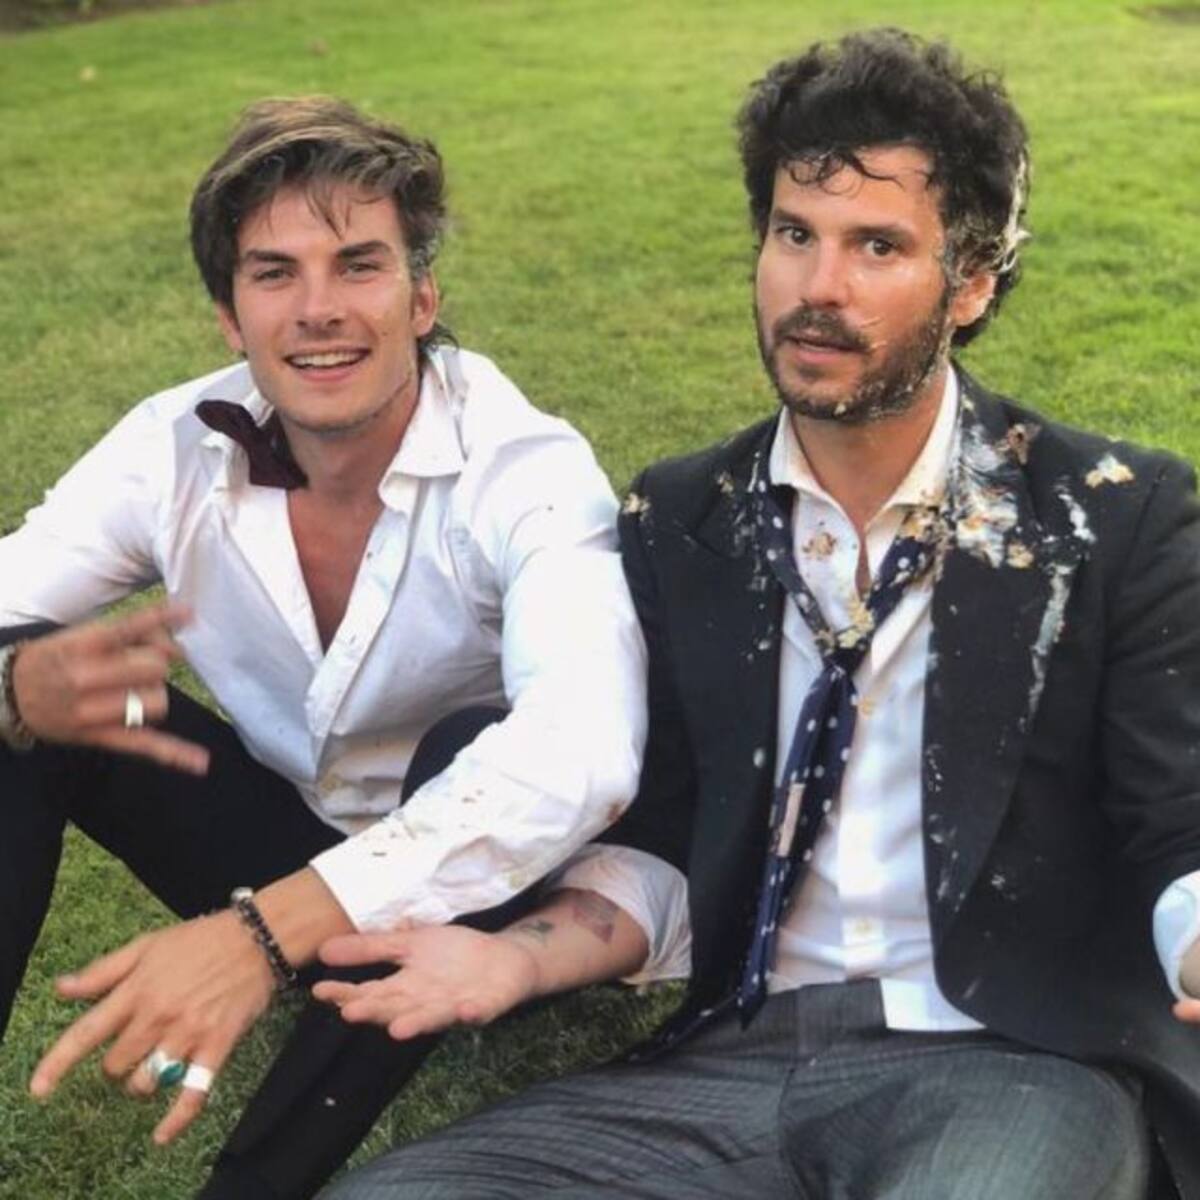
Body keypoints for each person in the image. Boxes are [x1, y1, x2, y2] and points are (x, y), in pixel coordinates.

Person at [316, 29, 1200, 1200]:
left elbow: (1178, 817)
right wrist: (515, 962)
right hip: (733, 1056)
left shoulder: (1109, 513)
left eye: (877, 245)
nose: (818, 288)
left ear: (973, 282)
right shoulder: (684, 516)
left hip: (1008, 1064)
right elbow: (665, 836)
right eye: (794, 234)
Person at [0, 97, 647, 1199]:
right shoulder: (173, 447)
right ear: (228, 316)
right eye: (274, 274)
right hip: (283, 847)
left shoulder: (526, 468)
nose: (318, 311)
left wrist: (259, 936)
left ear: (422, 298)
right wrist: (19, 685)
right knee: (26, 690)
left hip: (489, 901)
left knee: (471, 740)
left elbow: (580, 751)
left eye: (359, 265)